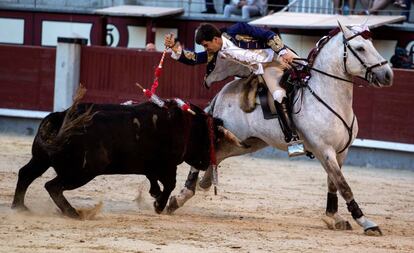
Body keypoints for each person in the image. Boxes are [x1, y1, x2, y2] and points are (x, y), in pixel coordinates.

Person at [164, 22, 304, 153]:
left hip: (278, 55)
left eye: (206, 45)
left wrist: (282, 51)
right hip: (267, 69)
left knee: (310, 72)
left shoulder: (238, 30)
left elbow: (268, 35)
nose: (206, 49)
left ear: (216, 39)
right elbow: (194, 58)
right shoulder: (215, 52)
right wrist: (176, 48)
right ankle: (294, 142)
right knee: (278, 95)